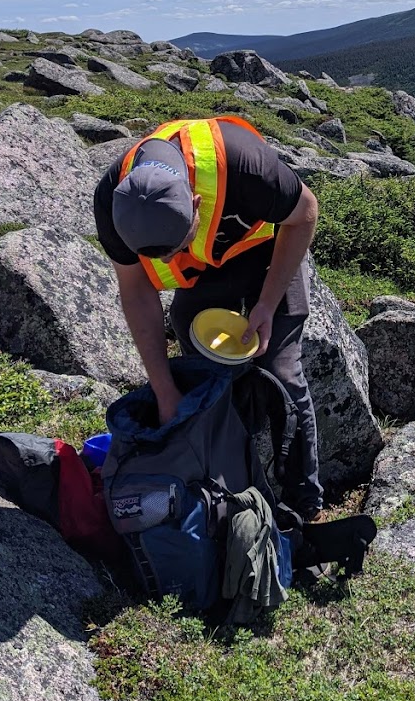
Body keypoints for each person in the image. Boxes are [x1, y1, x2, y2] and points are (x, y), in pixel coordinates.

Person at [93, 114, 323, 520]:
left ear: (194, 202)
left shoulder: (245, 164)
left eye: (174, 247)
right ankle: (228, 477)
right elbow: (136, 291)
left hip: (267, 251)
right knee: (198, 355)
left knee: (282, 372)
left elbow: (305, 212)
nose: (166, 262)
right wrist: (164, 392)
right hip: (210, 267)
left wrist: (267, 304)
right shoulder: (113, 199)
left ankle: (304, 501)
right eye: (157, 256)